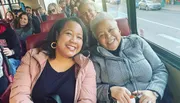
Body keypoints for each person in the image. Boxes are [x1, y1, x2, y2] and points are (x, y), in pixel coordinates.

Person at [10, 17, 96, 103]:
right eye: (69, 33)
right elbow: (19, 95)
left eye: (79, 37)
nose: (74, 40)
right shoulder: (32, 57)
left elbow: (87, 100)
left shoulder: (85, 65)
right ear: (57, 35)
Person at [90, 12, 168, 103]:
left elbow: (160, 69)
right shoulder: (95, 58)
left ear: (118, 30)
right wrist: (109, 91)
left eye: (111, 29)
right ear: (98, 40)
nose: (108, 36)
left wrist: (153, 91)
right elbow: (91, 88)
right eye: (101, 35)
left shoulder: (137, 42)